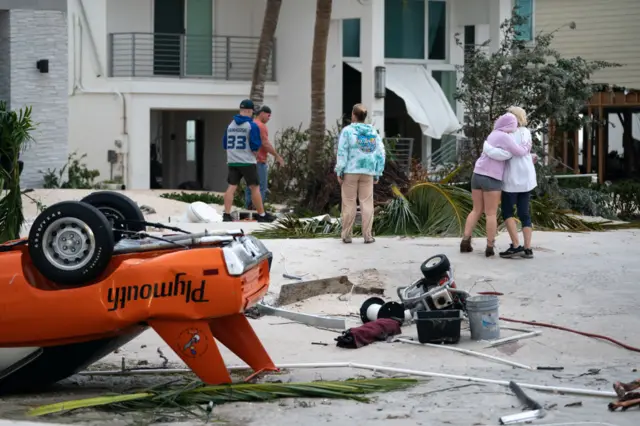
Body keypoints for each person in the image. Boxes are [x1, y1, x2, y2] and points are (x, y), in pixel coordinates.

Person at [460, 112, 531, 257]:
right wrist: (527, 146)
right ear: (510, 125)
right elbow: (519, 152)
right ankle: (490, 247)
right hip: (492, 178)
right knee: (491, 214)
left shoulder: (493, 134)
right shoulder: (505, 137)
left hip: (477, 174)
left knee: (476, 210)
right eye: (514, 125)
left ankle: (465, 242)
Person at [482, 106, 538, 259]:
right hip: (527, 177)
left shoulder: (505, 134)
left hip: (511, 178)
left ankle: (515, 245)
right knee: (525, 213)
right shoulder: (526, 132)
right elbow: (524, 150)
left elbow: (503, 154)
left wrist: (486, 147)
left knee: (507, 212)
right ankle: (527, 249)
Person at [335, 103, 386, 244]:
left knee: (349, 203)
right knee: (367, 203)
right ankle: (368, 235)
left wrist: (339, 170)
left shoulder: (347, 131)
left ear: (353, 115)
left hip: (350, 171)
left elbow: (342, 152)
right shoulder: (373, 132)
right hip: (368, 172)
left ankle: (347, 235)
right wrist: (378, 172)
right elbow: (381, 153)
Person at [222, 99, 276, 223]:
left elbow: (225, 144)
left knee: (231, 187)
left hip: (232, 161)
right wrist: (255, 154)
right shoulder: (251, 125)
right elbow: (255, 145)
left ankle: (227, 214)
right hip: (247, 161)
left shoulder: (230, 125)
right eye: (252, 111)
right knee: (255, 188)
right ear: (249, 110)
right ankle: (262, 215)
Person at [244, 105, 285, 210]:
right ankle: (258, 210)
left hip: (247, 161)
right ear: (262, 113)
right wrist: (277, 156)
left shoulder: (249, 124)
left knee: (249, 187)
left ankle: (249, 209)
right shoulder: (260, 126)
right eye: (268, 115)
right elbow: (265, 144)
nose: (269, 118)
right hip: (259, 161)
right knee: (261, 187)